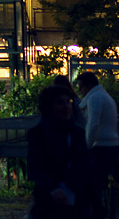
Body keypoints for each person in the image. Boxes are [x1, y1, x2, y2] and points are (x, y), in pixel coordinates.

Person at [29, 85, 88, 219]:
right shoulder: (39, 133)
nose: (66, 107)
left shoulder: (77, 133)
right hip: (50, 201)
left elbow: (86, 166)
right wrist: (51, 188)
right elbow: (35, 168)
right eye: (60, 102)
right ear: (49, 107)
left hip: (77, 198)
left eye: (68, 102)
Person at [76, 71, 119, 219]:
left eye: (81, 88)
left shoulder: (94, 98)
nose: (80, 91)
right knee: (99, 186)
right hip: (111, 145)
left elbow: (93, 124)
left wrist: (86, 146)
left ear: (88, 86)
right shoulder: (105, 96)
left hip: (100, 147)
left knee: (92, 186)